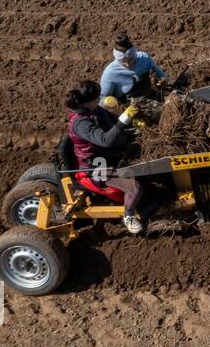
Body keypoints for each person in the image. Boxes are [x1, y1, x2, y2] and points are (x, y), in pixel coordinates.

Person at [64, 80, 147, 233]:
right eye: (98, 97)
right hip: (97, 166)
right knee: (135, 188)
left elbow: (115, 122)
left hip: (110, 156)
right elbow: (105, 140)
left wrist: (133, 122)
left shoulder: (95, 110)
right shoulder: (80, 123)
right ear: (88, 102)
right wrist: (125, 119)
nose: (100, 98)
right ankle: (128, 215)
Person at [100, 32, 166, 102]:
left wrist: (162, 81)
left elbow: (162, 76)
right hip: (128, 107)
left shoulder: (144, 59)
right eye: (123, 61)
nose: (127, 64)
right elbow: (102, 99)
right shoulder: (110, 73)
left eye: (130, 59)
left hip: (149, 98)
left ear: (134, 54)